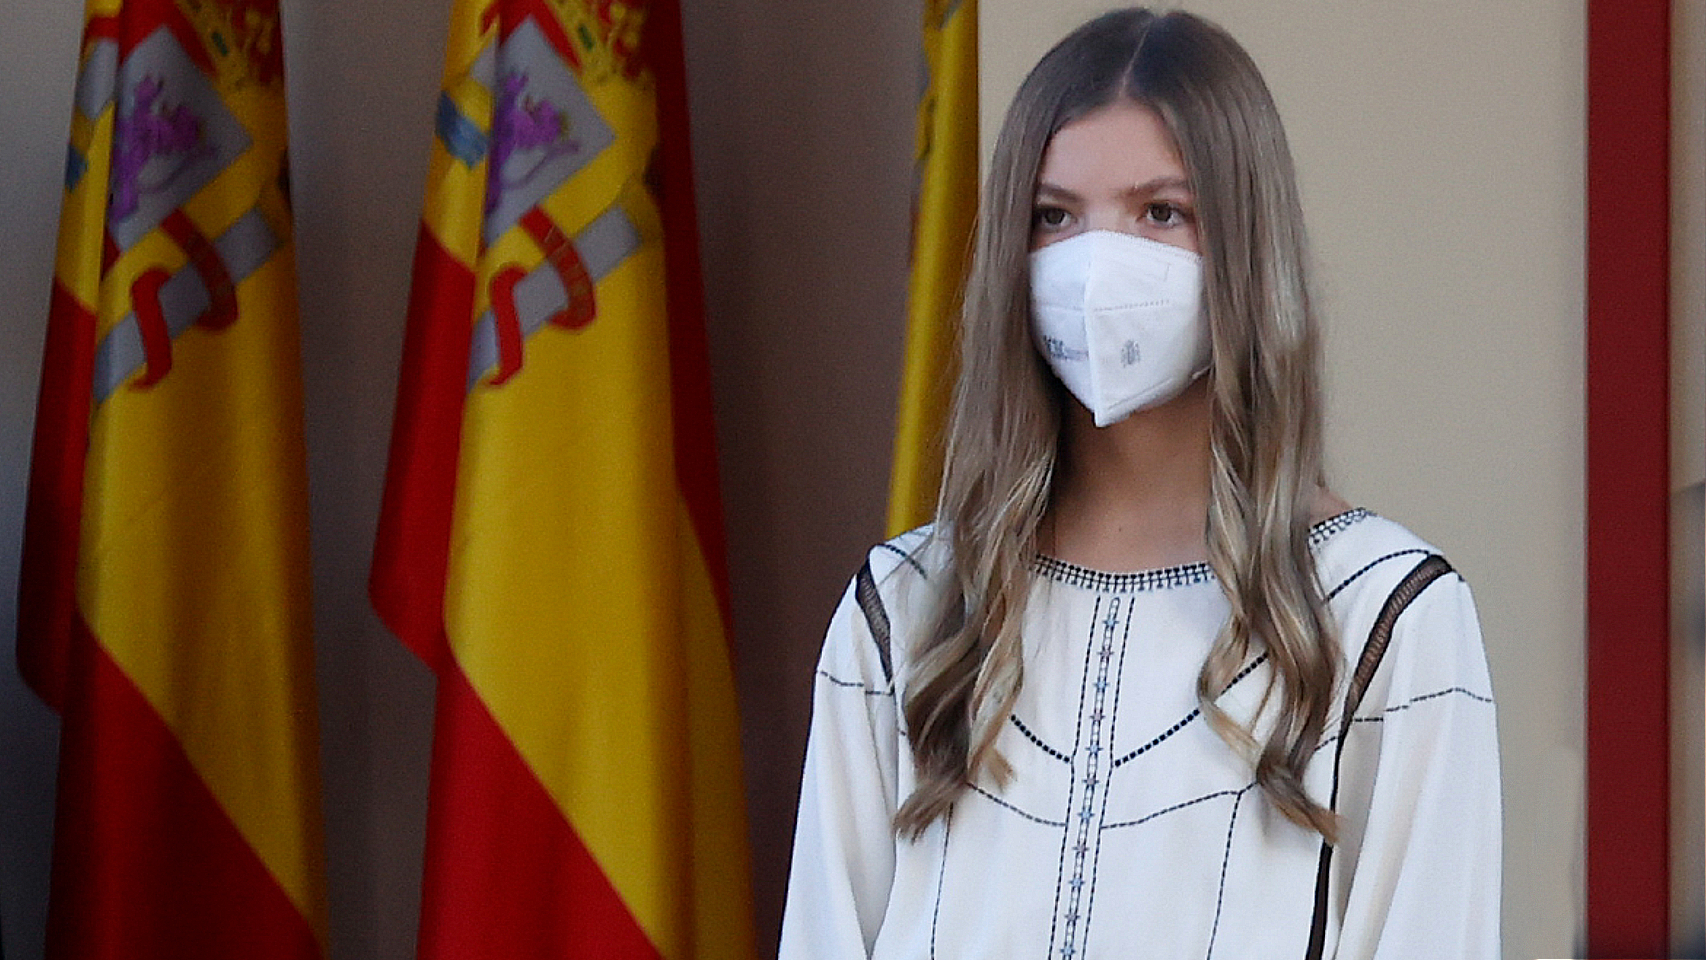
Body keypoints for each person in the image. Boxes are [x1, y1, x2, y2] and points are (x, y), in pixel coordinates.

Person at [779, 7, 1500, 959]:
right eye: (1054, 217)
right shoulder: (906, 612)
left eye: (1160, 212)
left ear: (1243, 244)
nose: (1094, 266)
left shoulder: (1385, 617)